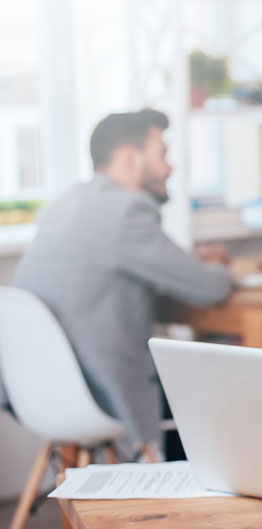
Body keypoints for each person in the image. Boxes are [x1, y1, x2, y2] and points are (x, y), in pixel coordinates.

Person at [9, 108, 231, 453]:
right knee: (220, 393)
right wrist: (220, 266)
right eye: (163, 154)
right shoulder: (125, 212)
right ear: (131, 158)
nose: (170, 167)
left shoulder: (65, 203)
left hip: (38, 394)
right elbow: (208, 288)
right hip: (102, 393)